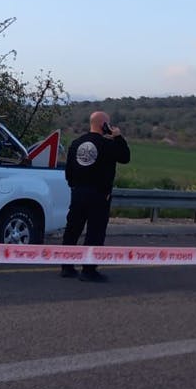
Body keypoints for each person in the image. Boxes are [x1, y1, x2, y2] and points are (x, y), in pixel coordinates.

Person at [60, 111, 130, 282]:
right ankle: (88, 270)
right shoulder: (108, 144)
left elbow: (68, 170)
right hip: (99, 195)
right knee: (95, 233)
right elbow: (125, 157)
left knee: (72, 230)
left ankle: (66, 267)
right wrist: (118, 137)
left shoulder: (76, 143)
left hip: (78, 193)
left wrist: (74, 187)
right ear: (104, 125)